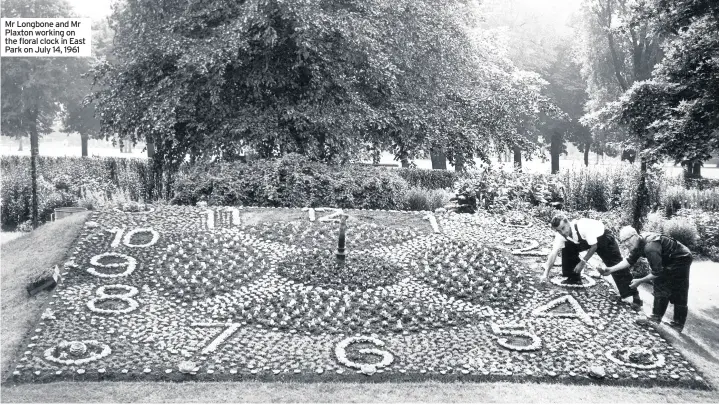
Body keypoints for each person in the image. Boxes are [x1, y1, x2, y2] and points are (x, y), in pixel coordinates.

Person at [599, 226, 692, 333]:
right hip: (669, 257)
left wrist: (639, 281)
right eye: (623, 241)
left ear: (634, 236)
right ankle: (661, 318)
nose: (626, 243)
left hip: (681, 257)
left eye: (627, 239)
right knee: (663, 283)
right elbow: (629, 260)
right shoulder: (639, 242)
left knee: (676, 287)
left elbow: (657, 273)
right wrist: (611, 269)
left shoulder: (650, 247)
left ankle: (664, 320)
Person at [540, 214, 643, 310]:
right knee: (566, 247)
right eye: (559, 230)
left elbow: (594, 246)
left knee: (615, 264)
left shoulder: (583, 226)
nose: (562, 232)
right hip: (585, 242)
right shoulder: (561, 235)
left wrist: (582, 262)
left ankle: (634, 295)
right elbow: (553, 253)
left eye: (563, 228)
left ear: (568, 223)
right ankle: (573, 277)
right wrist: (546, 274)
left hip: (603, 238)